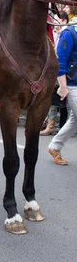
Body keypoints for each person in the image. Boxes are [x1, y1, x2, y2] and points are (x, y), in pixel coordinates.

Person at [47, 12, 77, 165]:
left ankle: (55, 146)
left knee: (74, 120)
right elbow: (60, 61)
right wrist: (63, 86)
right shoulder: (69, 33)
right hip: (72, 85)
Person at [40, 11, 69, 136]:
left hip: (65, 71)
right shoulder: (55, 34)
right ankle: (51, 125)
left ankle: (65, 126)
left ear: (64, 21)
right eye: (55, 21)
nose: (55, 24)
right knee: (53, 98)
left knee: (66, 101)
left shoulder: (67, 34)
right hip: (54, 70)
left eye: (58, 21)